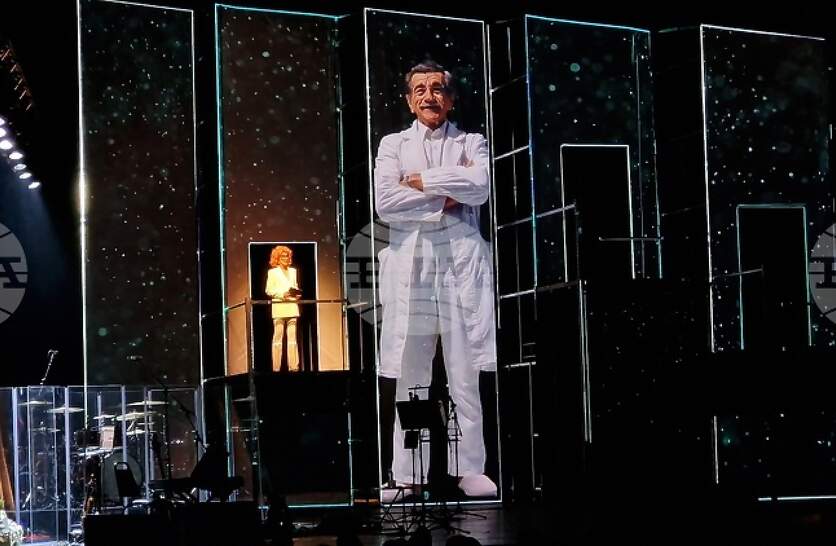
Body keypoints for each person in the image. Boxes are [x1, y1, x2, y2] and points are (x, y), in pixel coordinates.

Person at [374, 60, 497, 498]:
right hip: (415, 265)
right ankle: (409, 473)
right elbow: (385, 203)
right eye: (420, 90)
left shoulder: (472, 142)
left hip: (460, 265)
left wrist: (420, 181)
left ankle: (471, 468)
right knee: (412, 373)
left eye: (438, 88)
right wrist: (447, 194)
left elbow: (479, 187)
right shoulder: (393, 144)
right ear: (410, 101)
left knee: (465, 372)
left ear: (451, 98)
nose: (429, 96)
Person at [265, 245, 301, 372]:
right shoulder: (272, 272)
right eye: (283, 256)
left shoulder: (293, 271)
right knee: (278, 338)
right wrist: (282, 294)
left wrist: (296, 294)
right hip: (279, 307)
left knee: (292, 339)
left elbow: (295, 286)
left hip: (292, 306)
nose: (286, 258)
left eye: (287, 256)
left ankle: (294, 367)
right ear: (277, 258)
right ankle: (276, 368)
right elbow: (269, 290)